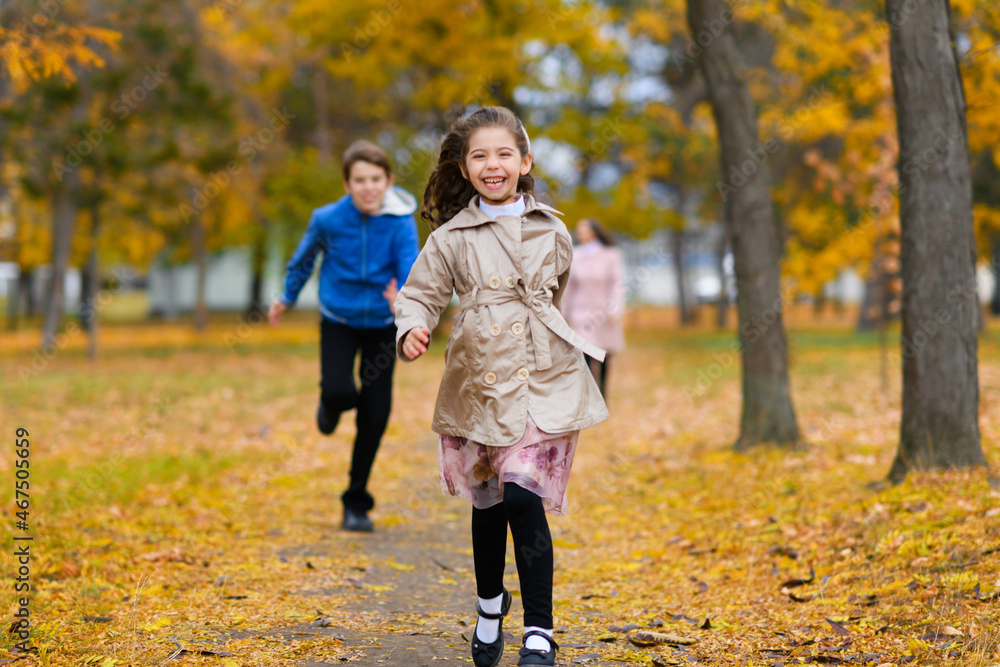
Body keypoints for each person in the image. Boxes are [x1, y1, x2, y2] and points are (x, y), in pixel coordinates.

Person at [393, 107, 608, 667]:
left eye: (504, 153)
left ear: (526, 161)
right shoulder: (451, 238)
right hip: (478, 382)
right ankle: (491, 604)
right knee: (488, 502)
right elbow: (419, 294)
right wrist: (412, 327)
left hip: (542, 378)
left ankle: (540, 630)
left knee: (521, 494)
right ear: (465, 169)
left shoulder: (553, 230)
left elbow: (555, 295)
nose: (494, 165)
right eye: (480, 156)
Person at [269, 140, 420, 533]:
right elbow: (303, 261)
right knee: (339, 392)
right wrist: (286, 296)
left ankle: (356, 501)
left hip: (383, 326)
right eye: (359, 180)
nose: (368, 188)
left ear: (387, 180)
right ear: (347, 183)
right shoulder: (327, 219)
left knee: (375, 413)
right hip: (338, 318)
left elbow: (409, 267)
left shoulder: (401, 220)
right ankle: (330, 405)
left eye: (375, 179)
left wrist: (403, 301)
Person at [560, 217, 626, 398]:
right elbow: (570, 286)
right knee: (585, 353)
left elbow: (617, 284)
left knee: (604, 354)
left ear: (594, 232)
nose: (579, 232)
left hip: (603, 312)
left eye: (583, 229)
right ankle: (590, 396)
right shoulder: (575, 254)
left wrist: (615, 309)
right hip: (581, 311)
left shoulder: (610, 255)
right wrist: (563, 312)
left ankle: (603, 392)